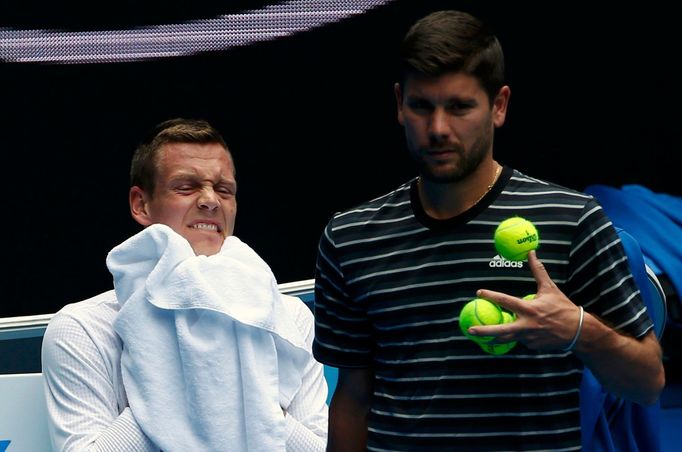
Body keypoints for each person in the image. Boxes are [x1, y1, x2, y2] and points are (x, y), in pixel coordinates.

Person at [312, 10, 665, 451]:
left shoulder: (572, 220)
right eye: (422, 106)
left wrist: (576, 329)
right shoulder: (351, 238)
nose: (438, 128)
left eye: (459, 107)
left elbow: (648, 383)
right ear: (399, 103)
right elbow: (353, 400)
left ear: (499, 106)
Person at [42, 118, 328, 451]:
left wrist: (239, 383)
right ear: (141, 204)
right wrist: (177, 381)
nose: (211, 201)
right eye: (186, 186)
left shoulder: (289, 317)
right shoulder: (82, 328)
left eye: (224, 190)